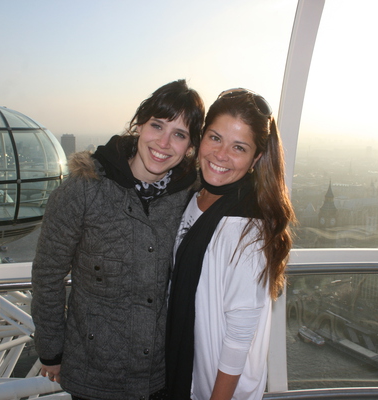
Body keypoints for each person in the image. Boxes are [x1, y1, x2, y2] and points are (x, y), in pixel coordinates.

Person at [31, 79, 204, 400]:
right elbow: (47, 274)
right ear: (138, 125)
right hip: (95, 372)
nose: (164, 142)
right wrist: (51, 351)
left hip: (163, 372)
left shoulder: (191, 196)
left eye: (179, 134)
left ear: (190, 146)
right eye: (157, 126)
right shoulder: (84, 189)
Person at [166, 88, 296, 400]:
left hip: (214, 389)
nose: (221, 155)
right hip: (189, 374)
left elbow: (240, 335)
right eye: (215, 138)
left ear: (256, 158)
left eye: (238, 147)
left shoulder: (246, 227)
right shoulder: (195, 196)